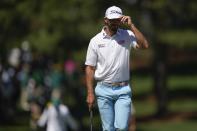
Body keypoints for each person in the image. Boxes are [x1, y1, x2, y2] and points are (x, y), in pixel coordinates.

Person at [85, 5, 149, 131]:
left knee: (122, 127)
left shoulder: (127, 35)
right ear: (106, 20)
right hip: (103, 89)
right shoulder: (95, 41)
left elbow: (144, 45)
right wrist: (90, 93)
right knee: (108, 128)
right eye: (112, 19)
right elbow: (90, 68)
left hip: (123, 89)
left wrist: (132, 25)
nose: (115, 22)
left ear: (121, 19)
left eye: (117, 19)